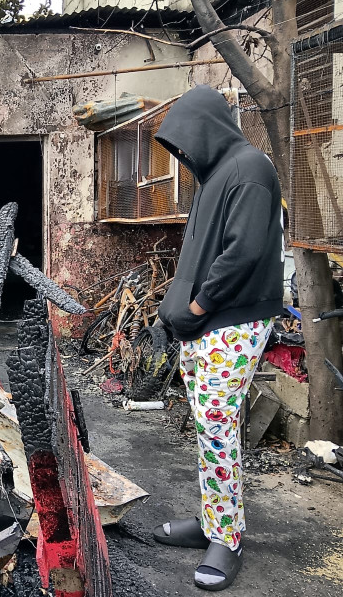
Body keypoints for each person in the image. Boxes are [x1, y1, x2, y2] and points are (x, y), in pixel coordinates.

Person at [150, 85, 284, 591]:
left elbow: (243, 253)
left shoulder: (251, 168)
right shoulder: (216, 175)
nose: (183, 155)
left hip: (230, 322)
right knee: (209, 431)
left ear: (207, 128)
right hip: (202, 325)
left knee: (218, 429)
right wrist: (183, 314)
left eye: (186, 142)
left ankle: (227, 539)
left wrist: (199, 306)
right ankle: (211, 524)